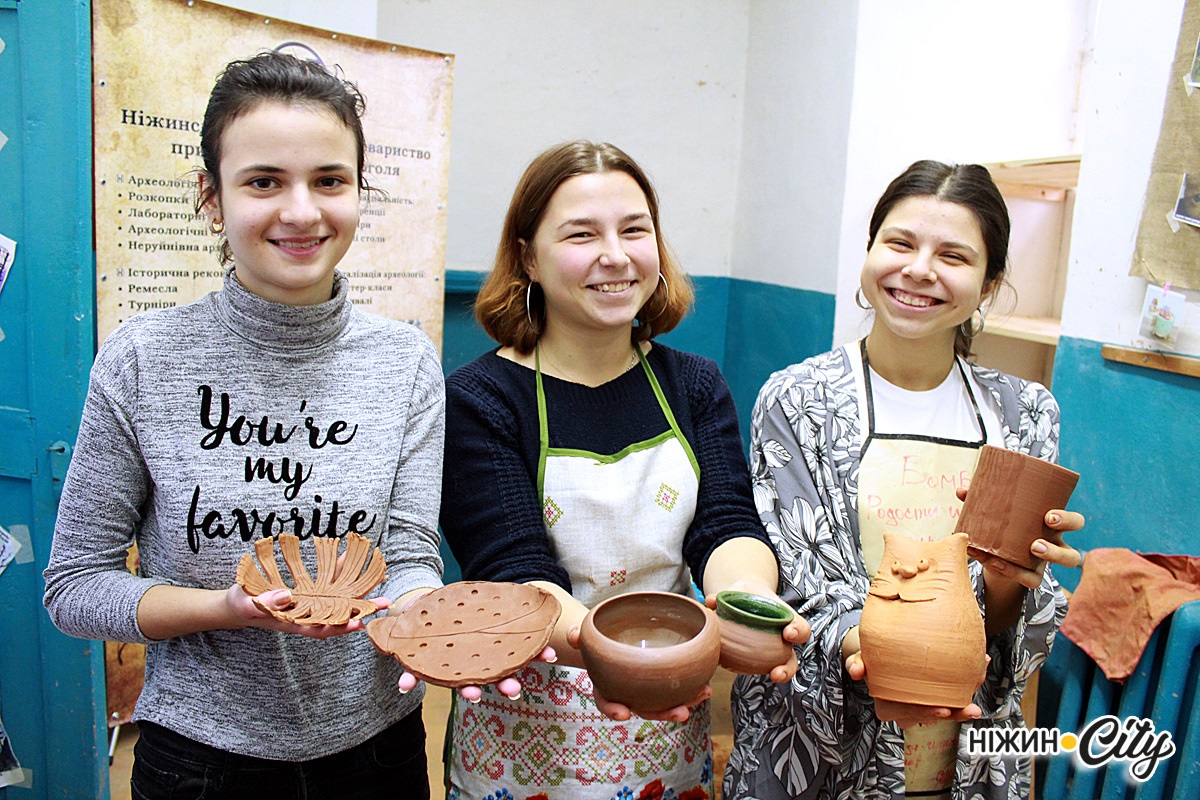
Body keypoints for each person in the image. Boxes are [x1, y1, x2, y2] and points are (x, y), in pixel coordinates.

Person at [43, 51, 445, 799]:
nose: (301, 211)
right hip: (200, 761)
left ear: (359, 192)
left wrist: (433, 629)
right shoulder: (143, 358)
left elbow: (411, 553)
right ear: (213, 198)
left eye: (330, 180)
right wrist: (224, 611)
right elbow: (74, 586)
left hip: (378, 749)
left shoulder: (407, 363)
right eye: (264, 181)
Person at [438, 140, 809, 800]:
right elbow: (516, 569)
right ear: (527, 256)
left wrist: (744, 603)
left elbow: (725, 524)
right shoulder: (481, 398)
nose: (616, 255)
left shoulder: (694, 385)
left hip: (663, 735)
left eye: (635, 230)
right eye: (582, 234)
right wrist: (634, 660)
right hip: (524, 739)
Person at [722, 160, 1085, 800]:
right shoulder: (799, 400)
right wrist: (895, 654)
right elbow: (802, 581)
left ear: (990, 282)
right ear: (869, 251)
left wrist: (1013, 576)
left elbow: (1005, 616)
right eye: (899, 243)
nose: (919, 270)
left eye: (953, 255)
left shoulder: (1023, 415)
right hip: (817, 749)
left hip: (962, 748)